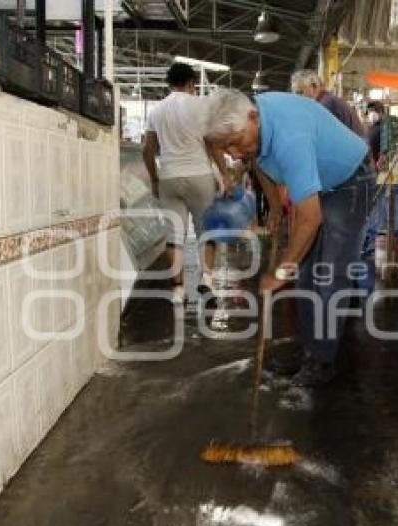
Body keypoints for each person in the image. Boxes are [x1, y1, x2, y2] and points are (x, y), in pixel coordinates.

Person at [204, 89, 374, 384]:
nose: (232, 154)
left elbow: (311, 217)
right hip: (322, 180)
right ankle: (311, 349)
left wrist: (281, 272)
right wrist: (274, 206)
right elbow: (260, 163)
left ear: (253, 119)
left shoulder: (289, 138)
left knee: (329, 275)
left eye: (233, 143)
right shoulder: (255, 127)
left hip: (350, 182)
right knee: (307, 275)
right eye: (225, 147)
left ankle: (323, 361)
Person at [143, 62, 232, 303]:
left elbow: (147, 150)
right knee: (206, 231)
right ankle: (206, 282)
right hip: (199, 176)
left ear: (169, 83)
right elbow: (212, 144)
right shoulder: (201, 105)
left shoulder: (156, 110)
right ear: (192, 83)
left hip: (169, 177)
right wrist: (225, 173)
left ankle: (178, 289)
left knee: (174, 235)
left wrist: (154, 178)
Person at [290, 69, 367, 138]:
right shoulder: (328, 99)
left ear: (314, 86)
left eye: (300, 92)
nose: (297, 97)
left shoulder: (325, 105)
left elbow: (319, 136)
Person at [366, 100, 385, 166]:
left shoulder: (385, 127)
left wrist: (383, 155)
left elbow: (387, 146)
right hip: (370, 162)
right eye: (370, 111)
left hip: (379, 164)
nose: (372, 114)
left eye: (376, 111)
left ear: (382, 112)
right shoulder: (369, 127)